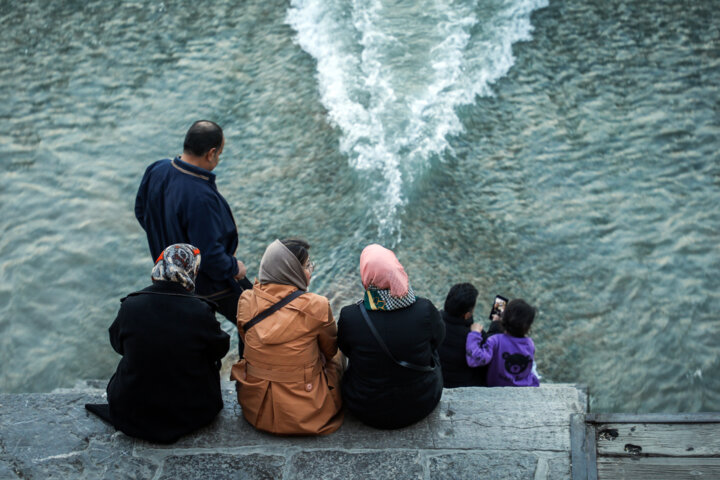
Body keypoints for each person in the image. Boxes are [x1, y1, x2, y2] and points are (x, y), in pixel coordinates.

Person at [85, 244, 230, 444]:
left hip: (132, 412)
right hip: (193, 413)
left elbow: (118, 345)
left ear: (160, 266)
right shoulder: (201, 310)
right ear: (192, 270)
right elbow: (220, 349)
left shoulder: (130, 306)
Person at [134, 120, 251, 345]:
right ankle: (249, 376)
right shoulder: (200, 196)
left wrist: (167, 239)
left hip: (169, 274)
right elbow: (209, 254)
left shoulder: (157, 169)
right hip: (206, 283)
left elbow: (142, 212)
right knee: (254, 318)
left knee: (195, 331)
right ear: (211, 153)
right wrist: (235, 267)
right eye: (220, 154)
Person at [230, 238, 343, 435]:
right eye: (307, 266)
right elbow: (330, 350)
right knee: (339, 354)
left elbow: (245, 336)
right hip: (307, 413)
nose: (311, 270)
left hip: (256, 407)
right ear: (293, 271)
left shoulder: (246, 300)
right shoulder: (317, 305)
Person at [337, 244, 445, 429]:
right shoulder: (425, 309)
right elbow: (438, 340)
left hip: (365, 407)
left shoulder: (350, 316)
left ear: (366, 275)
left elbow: (345, 350)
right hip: (421, 403)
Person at [466, 298, 540, 387]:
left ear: (504, 319)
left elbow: (475, 360)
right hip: (525, 385)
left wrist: (475, 334)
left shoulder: (496, 340)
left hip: (498, 385)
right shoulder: (529, 343)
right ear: (528, 327)